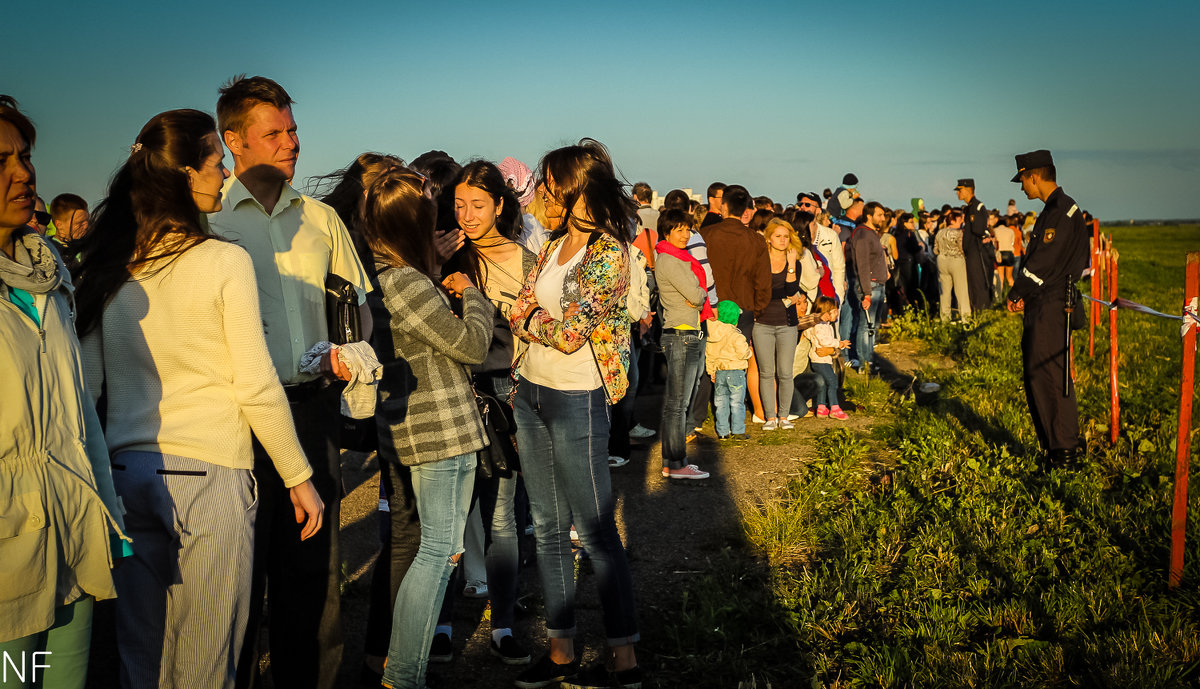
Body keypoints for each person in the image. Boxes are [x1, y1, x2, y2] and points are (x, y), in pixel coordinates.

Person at [72, 108, 324, 689]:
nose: (223, 174)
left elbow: (86, 388)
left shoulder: (111, 267)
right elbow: (254, 382)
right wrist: (297, 475)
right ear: (186, 175)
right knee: (209, 667)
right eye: (215, 163)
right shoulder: (224, 261)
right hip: (209, 477)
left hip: (126, 474)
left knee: (142, 658)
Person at [206, 75, 371, 689]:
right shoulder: (211, 220)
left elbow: (359, 309)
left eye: (293, 129)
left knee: (315, 576)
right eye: (272, 133)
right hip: (237, 420)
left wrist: (349, 357)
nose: (290, 142)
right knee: (239, 580)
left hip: (310, 412)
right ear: (233, 140)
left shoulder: (322, 219)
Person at [0, 95, 129, 689]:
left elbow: (81, 416)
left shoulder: (48, 271)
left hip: (76, 533)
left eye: (23, 156)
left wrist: (109, 515)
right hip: (7, 556)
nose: (23, 173)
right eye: (0, 161)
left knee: (61, 681)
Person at [508, 139, 642, 689]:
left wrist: (526, 317)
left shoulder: (610, 251)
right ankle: (560, 650)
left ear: (575, 189)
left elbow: (567, 336)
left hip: (577, 395)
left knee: (594, 532)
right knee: (545, 528)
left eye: (547, 182)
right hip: (530, 393)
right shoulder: (554, 244)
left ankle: (624, 660)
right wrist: (527, 316)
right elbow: (521, 306)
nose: (540, 192)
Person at [358, 166, 492, 689]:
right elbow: (471, 347)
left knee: (436, 548)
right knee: (438, 551)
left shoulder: (379, 273)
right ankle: (405, 673)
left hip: (416, 428)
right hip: (440, 430)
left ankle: (401, 668)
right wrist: (471, 294)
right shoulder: (408, 281)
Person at [430, 159, 536, 665]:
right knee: (448, 520)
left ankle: (504, 624)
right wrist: (431, 265)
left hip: (505, 392)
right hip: (451, 389)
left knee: (502, 519)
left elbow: (534, 332)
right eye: (459, 205)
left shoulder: (526, 259)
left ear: (500, 204)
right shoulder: (444, 254)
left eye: (478, 205)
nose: (467, 215)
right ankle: (442, 623)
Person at [1006, 149, 1089, 465]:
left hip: (1050, 305)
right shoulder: (1063, 209)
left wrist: (1016, 293)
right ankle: (1063, 443)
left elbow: (1040, 264)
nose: (1022, 188)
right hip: (1052, 301)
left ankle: (1062, 451)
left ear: (1034, 177)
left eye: (1023, 181)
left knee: (1047, 377)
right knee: (1054, 375)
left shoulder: (1057, 212)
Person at [654, 209, 712, 479]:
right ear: (666, 231)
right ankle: (677, 464)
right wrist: (699, 293)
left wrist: (697, 295)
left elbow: (696, 294)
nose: (685, 234)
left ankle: (672, 462)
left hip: (686, 332)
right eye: (678, 229)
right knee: (678, 404)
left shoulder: (679, 258)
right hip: (682, 334)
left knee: (676, 403)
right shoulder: (670, 260)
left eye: (687, 229)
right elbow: (696, 294)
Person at [754, 218, 803, 430]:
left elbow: (791, 291)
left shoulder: (796, 262)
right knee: (766, 372)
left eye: (786, 236)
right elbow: (759, 291)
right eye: (778, 236)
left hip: (787, 323)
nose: (783, 240)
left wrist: (791, 266)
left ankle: (784, 416)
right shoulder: (759, 261)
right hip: (762, 323)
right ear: (769, 238)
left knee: (785, 371)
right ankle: (770, 417)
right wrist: (783, 294)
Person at [846, 201, 889, 372]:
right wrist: (867, 293)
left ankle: (870, 359)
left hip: (878, 284)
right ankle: (865, 363)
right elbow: (862, 265)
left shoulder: (871, 233)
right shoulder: (863, 235)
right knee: (867, 325)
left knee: (874, 325)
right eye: (879, 215)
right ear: (869, 216)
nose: (883, 218)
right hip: (869, 286)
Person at [706, 300, 753, 439]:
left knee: (721, 404)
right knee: (737, 403)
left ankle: (722, 432)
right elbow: (743, 353)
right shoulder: (736, 335)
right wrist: (748, 350)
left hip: (719, 372)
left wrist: (711, 371)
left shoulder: (712, 337)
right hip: (736, 372)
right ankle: (738, 431)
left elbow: (709, 355)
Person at [805, 296, 851, 419]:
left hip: (824, 360)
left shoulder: (826, 325)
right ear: (825, 313)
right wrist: (839, 344)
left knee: (824, 383)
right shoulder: (820, 326)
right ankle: (834, 408)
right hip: (820, 361)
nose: (837, 313)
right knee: (833, 382)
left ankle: (821, 407)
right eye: (834, 311)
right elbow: (825, 341)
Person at [955, 178, 992, 312]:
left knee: (978, 280)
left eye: (960, 190)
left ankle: (981, 310)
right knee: (971, 281)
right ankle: (976, 308)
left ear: (968, 190)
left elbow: (978, 229)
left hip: (976, 249)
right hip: (970, 250)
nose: (958, 193)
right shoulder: (969, 207)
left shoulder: (977, 207)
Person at [934, 209, 971, 322]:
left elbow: (935, 250)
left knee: (944, 293)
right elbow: (962, 248)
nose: (961, 221)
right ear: (954, 220)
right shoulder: (959, 233)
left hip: (942, 261)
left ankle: (945, 319)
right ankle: (965, 319)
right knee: (961, 292)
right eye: (960, 219)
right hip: (956, 260)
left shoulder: (939, 232)